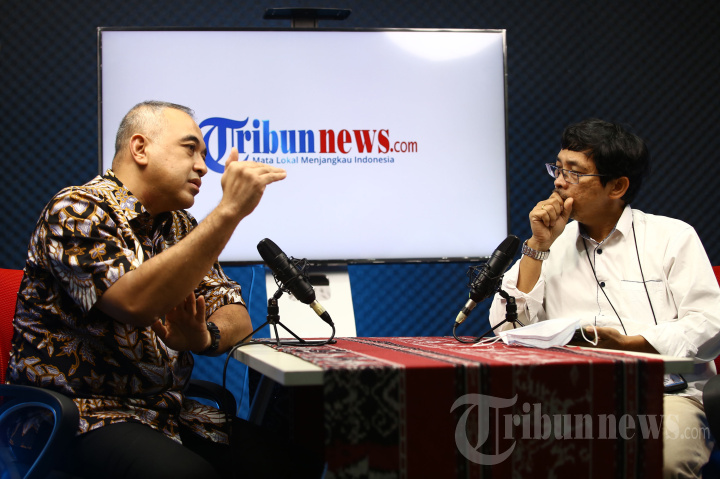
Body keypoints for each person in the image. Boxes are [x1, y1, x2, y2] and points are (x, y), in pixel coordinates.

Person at [5, 101, 323, 478]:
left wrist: (205, 336)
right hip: (79, 415)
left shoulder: (180, 226)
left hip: (165, 413)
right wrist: (228, 211)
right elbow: (134, 301)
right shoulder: (76, 209)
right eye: (190, 149)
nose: (203, 166)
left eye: (203, 154)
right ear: (140, 148)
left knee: (291, 464)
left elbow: (236, 314)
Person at [488, 118, 720, 478]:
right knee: (498, 452)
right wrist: (536, 248)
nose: (559, 181)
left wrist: (630, 344)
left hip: (665, 394)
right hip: (567, 398)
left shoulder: (672, 237)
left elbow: (710, 323)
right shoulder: (549, 246)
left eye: (575, 172)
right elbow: (506, 329)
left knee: (662, 461)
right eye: (558, 168)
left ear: (618, 186)